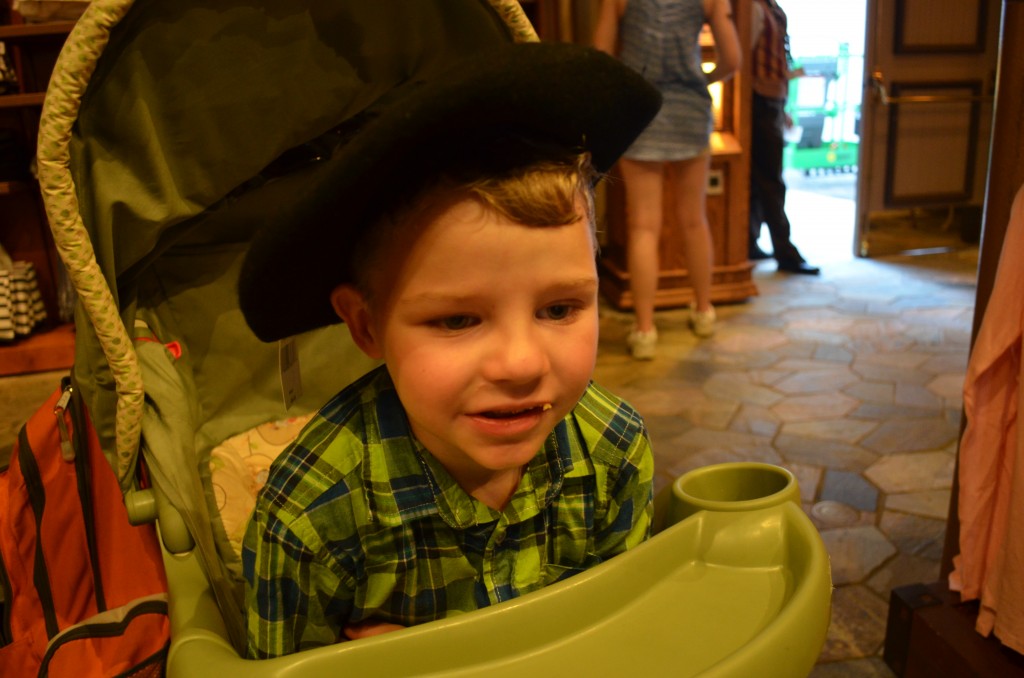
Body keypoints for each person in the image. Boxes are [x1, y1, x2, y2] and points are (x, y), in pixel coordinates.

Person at [236, 41, 661, 659]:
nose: (521, 364)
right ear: (365, 326)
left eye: (560, 309)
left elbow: (625, 638)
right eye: (458, 319)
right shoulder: (311, 517)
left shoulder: (615, 451)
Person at [594, 0, 741, 359]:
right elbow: (733, 59)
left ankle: (644, 331)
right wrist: (699, 79)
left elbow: (600, 56)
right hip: (689, 109)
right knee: (694, 218)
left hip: (639, 106)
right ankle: (704, 311)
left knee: (643, 225)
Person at [748, 0, 820, 275]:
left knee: (760, 179)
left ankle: (750, 241)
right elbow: (745, 57)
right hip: (760, 101)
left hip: (769, 100)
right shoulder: (753, 8)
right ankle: (785, 251)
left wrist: (783, 106)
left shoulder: (767, 7)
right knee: (770, 180)